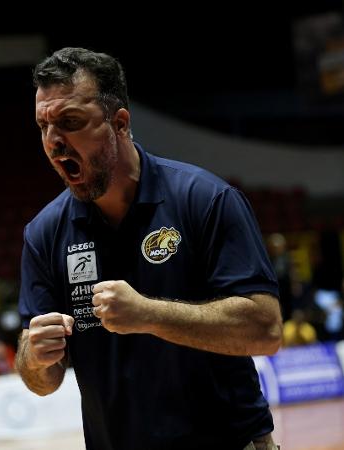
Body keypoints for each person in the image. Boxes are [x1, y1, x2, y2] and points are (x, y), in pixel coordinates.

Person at [15, 47, 283, 450]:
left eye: (70, 122)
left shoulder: (205, 199)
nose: (53, 142)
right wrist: (35, 358)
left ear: (119, 123)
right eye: (43, 126)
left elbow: (265, 330)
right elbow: (41, 381)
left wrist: (148, 314)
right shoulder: (44, 233)